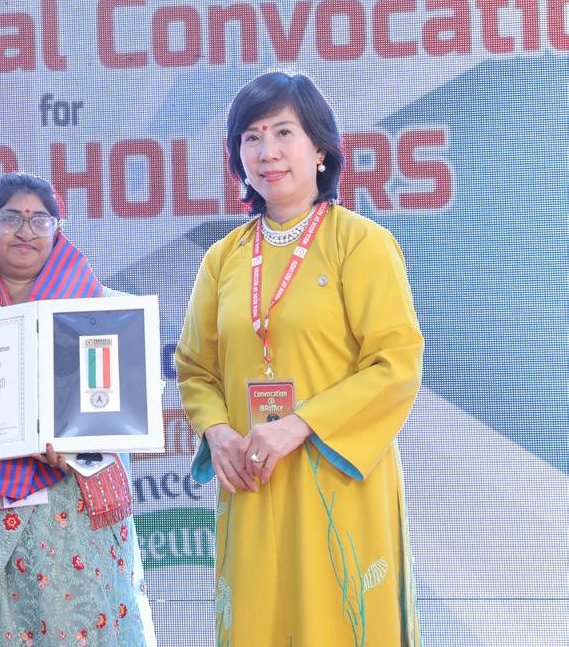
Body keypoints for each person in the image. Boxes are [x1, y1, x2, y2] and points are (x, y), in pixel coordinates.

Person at [175, 72, 423, 646]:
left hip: (339, 478)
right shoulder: (223, 258)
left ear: (320, 150)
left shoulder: (360, 242)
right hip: (251, 481)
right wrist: (217, 433)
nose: (267, 152)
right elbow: (195, 368)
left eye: (284, 132)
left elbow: (396, 363)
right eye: (252, 137)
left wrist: (300, 424)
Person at [0, 173, 155, 646]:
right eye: (11, 218)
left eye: (40, 219)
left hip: (70, 519)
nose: (26, 231)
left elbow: (117, 420)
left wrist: (81, 449)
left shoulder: (100, 312)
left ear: (56, 231)